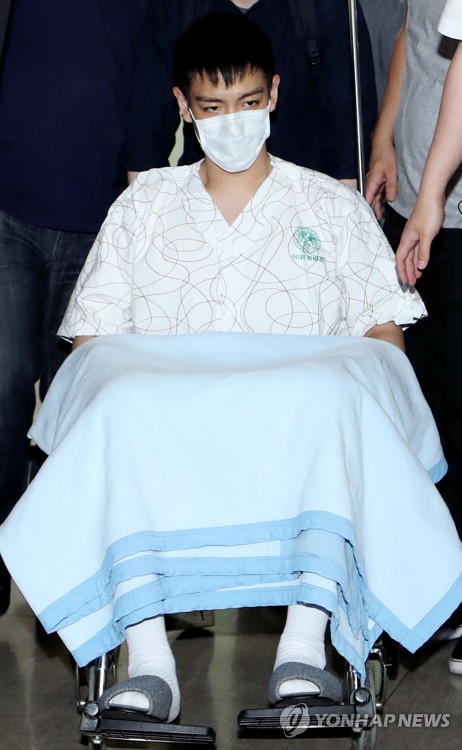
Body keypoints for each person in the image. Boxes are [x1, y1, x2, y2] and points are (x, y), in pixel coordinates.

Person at [1, 13, 460, 725]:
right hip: (165, 437)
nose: (233, 122)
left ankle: (303, 648)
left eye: (248, 102)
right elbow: (93, 343)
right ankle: (149, 662)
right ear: (182, 108)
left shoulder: (330, 206)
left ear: (275, 94)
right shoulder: (144, 207)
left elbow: (382, 331)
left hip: (298, 435)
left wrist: (360, 383)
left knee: (332, 389)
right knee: (119, 399)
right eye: (212, 108)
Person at [0, 0, 149, 614]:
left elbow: (157, 75)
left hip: (101, 223)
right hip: (9, 210)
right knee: (6, 379)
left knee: (78, 402)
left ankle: (63, 566)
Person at [365, 1, 462, 539]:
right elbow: (412, 31)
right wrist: (385, 140)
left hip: (447, 212)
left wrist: (433, 195)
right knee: (418, 396)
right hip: (414, 209)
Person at [123, 0, 377, 187]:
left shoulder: (321, 8)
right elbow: (147, 120)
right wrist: (146, 209)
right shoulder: (177, 7)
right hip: (203, 193)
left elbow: (347, 124)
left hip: (304, 193)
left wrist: (342, 213)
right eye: (214, 106)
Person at [392, 0, 462, 677]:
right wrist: (430, 193)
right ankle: (444, 591)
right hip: (430, 202)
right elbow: (437, 50)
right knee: (436, 406)